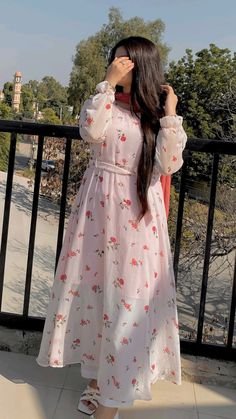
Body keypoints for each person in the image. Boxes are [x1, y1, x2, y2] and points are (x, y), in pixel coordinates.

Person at [36, 36, 188, 419]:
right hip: (97, 215)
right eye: (115, 59)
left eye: (124, 61)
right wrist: (106, 82)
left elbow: (169, 164)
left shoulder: (154, 115)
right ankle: (96, 379)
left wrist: (170, 113)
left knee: (125, 305)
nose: (118, 64)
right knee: (96, 294)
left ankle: (110, 401)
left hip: (136, 220)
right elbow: (90, 131)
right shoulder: (104, 102)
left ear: (140, 65)